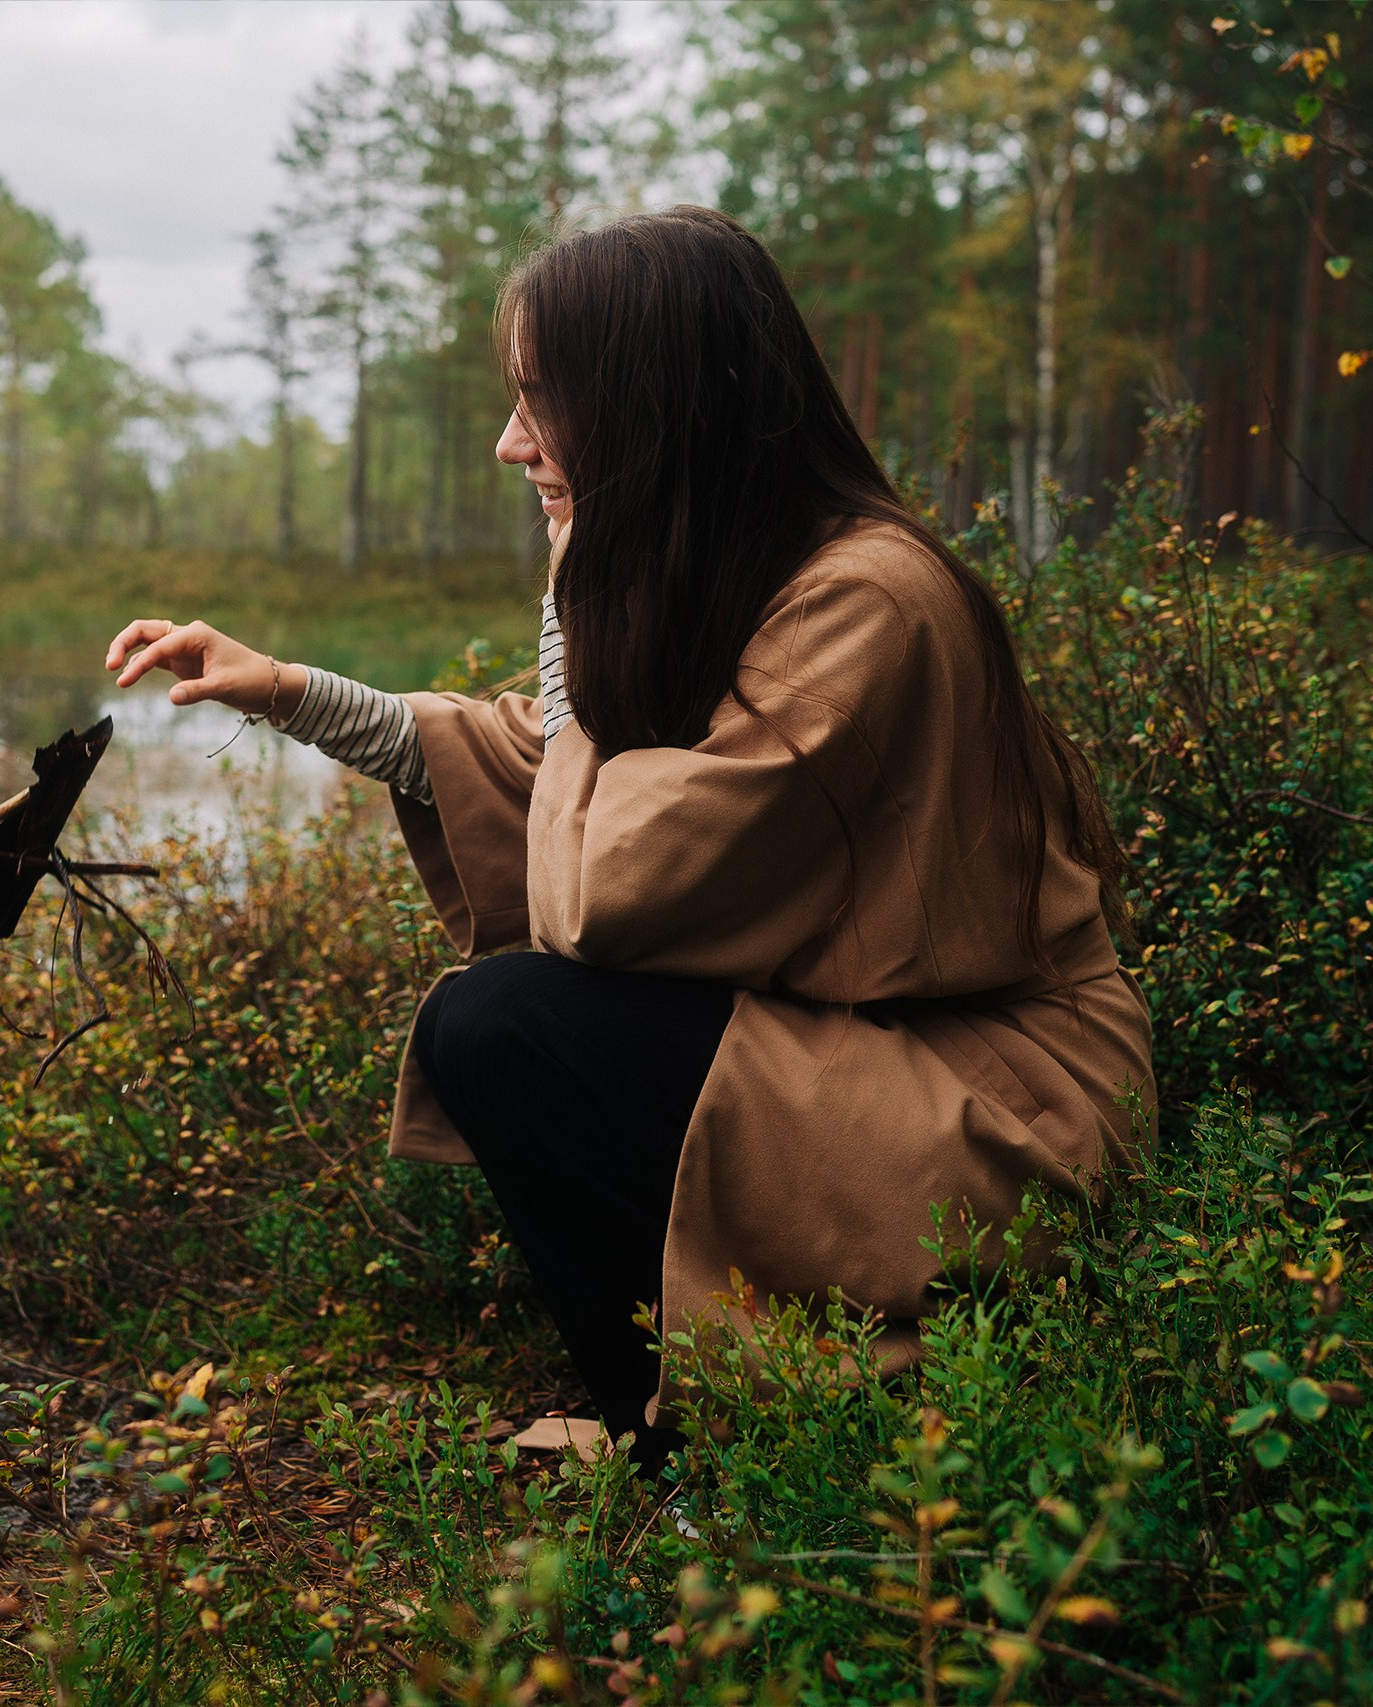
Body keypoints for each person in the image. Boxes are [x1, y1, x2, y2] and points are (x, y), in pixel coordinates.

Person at [107, 207, 1154, 1463]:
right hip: (867, 1054)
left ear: (657, 405)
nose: (509, 443)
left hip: (994, 1107)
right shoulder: (758, 567)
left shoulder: (866, 600)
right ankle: (672, 1417)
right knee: (511, 1023)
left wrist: (568, 603)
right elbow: (557, 767)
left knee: (507, 1026)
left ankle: (694, 1447)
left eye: (543, 400)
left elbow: (606, 886)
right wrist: (289, 689)